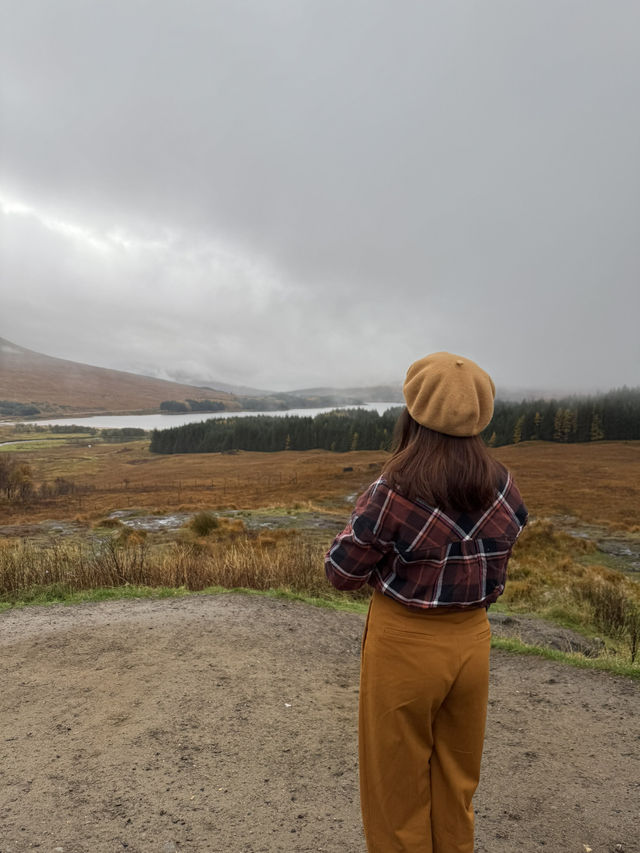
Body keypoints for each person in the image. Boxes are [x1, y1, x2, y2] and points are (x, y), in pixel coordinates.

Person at [325, 352, 528, 853]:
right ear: (481, 412)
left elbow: (341, 573)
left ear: (413, 410)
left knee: (395, 788)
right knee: (457, 784)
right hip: (473, 644)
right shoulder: (504, 484)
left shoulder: (393, 490)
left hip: (404, 644)